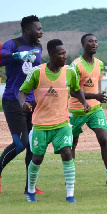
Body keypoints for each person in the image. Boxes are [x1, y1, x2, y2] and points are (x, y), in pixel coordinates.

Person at [18, 39, 91, 203]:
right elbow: (22, 92)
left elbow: (76, 89)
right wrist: (23, 104)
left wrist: (85, 102)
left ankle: (70, 195)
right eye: (61, 53)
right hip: (40, 125)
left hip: (62, 124)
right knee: (37, 158)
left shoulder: (70, 72)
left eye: (65, 53)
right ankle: (30, 191)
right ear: (51, 55)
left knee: (67, 153)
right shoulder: (37, 72)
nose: (65, 56)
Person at [0, 15, 44, 194]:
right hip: (13, 100)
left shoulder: (38, 47)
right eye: (38, 29)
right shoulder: (12, 44)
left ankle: (30, 187)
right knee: (21, 143)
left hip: (33, 102)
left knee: (33, 145)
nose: (41, 32)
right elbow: (1, 59)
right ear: (28, 30)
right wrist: (16, 56)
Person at [68, 33, 107, 186]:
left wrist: (99, 96)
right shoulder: (76, 65)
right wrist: (95, 95)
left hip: (95, 109)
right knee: (72, 143)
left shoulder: (99, 64)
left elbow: (96, 83)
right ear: (83, 45)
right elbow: (73, 91)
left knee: (104, 139)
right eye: (90, 41)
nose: (94, 44)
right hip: (76, 110)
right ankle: (70, 177)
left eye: (96, 41)